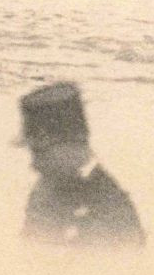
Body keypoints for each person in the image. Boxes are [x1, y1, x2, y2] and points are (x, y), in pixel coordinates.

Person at [17, 82, 145, 249]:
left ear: (70, 147)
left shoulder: (106, 207)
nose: (34, 164)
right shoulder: (47, 192)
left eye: (40, 152)